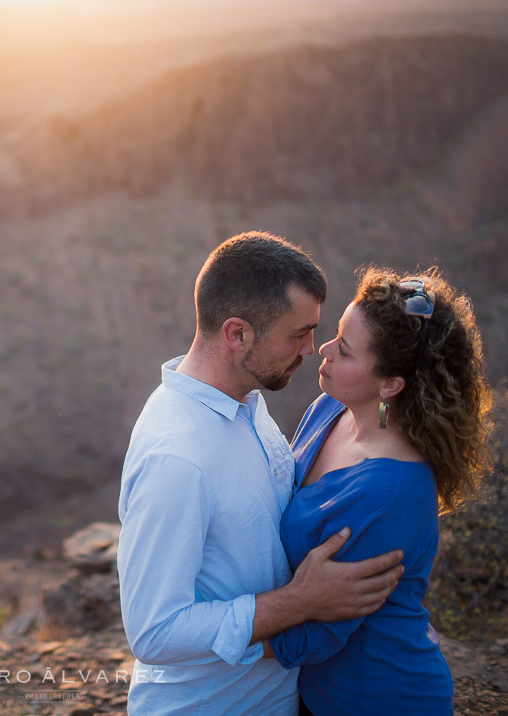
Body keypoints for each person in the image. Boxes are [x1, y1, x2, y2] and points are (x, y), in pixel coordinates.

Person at [117, 232, 406, 716]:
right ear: (238, 335)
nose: (313, 349)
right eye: (299, 334)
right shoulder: (177, 457)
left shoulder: (246, 401)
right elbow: (154, 632)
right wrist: (300, 602)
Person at [266, 266, 492, 716]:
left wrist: (206, 639)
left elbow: (318, 636)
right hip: (315, 692)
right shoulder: (331, 407)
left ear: (390, 385)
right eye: (336, 334)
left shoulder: (390, 494)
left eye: (345, 351)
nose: (323, 351)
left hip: (370, 696)